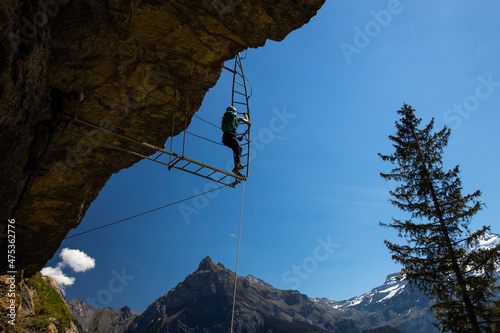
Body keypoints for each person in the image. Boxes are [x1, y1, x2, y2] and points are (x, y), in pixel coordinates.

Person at [23, 87, 82, 174]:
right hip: (42, 115)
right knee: (41, 137)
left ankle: (34, 162)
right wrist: (76, 117)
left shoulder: (62, 101)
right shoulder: (63, 96)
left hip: (47, 119)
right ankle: (32, 161)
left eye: (77, 100)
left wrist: (73, 124)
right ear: (72, 93)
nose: (75, 99)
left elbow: (56, 119)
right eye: (75, 96)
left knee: (44, 141)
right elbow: (65, 109)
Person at [221, 105, 251, 177]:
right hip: (231, 137)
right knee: (238, 150)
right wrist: (246, 115)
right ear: (235, 112)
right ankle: (236, 168)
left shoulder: (226, 118)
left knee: (237, 149)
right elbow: (247, 121)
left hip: (225, 138)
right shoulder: (237, 118)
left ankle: (238, 163)